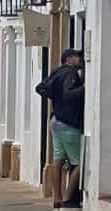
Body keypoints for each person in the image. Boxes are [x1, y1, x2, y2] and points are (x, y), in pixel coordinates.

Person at [36, 49, 85, 209]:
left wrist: (55, 99)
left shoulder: (56, 72)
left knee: (58, 159)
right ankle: (67, 198)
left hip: (55, 120)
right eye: (78, 57)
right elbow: (69, 94)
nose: (80, 59)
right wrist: (86, 88)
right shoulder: (71, 73)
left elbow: (40, 88)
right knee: (79, 163)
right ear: (69, 59)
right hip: (69, 123)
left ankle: (56, 197)